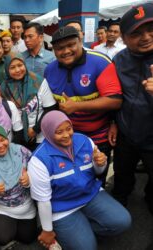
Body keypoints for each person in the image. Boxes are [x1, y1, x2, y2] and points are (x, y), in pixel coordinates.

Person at [28, 110, 131, 250]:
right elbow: (43, 200)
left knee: (123, 221)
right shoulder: (39, 160)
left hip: (90, 195)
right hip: (62, 207)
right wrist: (47, 230)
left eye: (69, 128)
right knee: (87, 247)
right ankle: (72, 234)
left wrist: (100, 164)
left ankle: (81, 232)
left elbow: (98, 172)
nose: (66, 135)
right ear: (48, 133)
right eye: (59, 132)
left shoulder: (84, 140)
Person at [44, 26, 123, 185]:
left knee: (97, 178)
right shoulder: (49, 70)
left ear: (80, 42)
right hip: (68, 138)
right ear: (54, 50)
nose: (65, 51)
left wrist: (78, 106)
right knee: (73, 178)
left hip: (99, 134)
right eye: (60, 48)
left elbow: (115, 100)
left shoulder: (100, 62)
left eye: (71, 45)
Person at [110, 2, 153, 213]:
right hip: (126, 135)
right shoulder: (118, 61)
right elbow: (113, 97)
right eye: (137, 33)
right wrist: (113, 123)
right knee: (122, 175)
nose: (145, 37)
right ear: (124, 38)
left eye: (151, 30)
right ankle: (120, 199)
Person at [1, 55, 57, 149]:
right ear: (7, 69)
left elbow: (50, 109)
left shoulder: (38, 81)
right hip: (17, 137)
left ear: (25, 65)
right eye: (12, 67)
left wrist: (35, 129)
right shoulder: (4, 88)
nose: (18, 70)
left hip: (41, 136)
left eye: (20, 65)